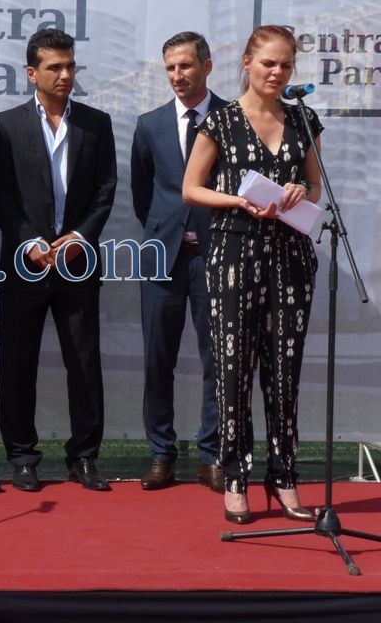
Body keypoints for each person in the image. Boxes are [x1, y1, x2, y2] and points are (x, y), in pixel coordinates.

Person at [182, 25, 322, 524]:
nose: (277, 72)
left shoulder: (303, 119)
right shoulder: (220, 121)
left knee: (284, 373)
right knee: (234, 371)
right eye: (268, 63)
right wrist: (238, 201)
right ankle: (235, 477)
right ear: (247, 62)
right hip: (235, 257)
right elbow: (191, 188)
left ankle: (284, 476)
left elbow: (316, 186)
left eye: (285, 65)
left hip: (291, 258)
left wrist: (300, 192)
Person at [0, 28, 117, 492]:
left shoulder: (96, 123)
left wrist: (80, 237)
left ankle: (84, 457)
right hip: (24, 263)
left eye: (70, 66)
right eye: (54, 67)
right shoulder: (4, 126)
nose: (65, 75)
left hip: (78, 263)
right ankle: (23, 458)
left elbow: (106, 189)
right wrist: (28, 241)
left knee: (84, 364)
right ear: (32, 73)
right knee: (17, 364)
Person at [130, 32, 226, 493]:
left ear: (206, 66)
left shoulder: (233, 117)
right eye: (170, 67)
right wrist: (165, 231)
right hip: (161, 258)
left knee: (219, 362)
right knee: (156, 360)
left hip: (218, 255)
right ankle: (161, 455)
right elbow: (143, 192)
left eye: (185, 65)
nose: (177, 75)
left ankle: (212, 457)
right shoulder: (149, 125)